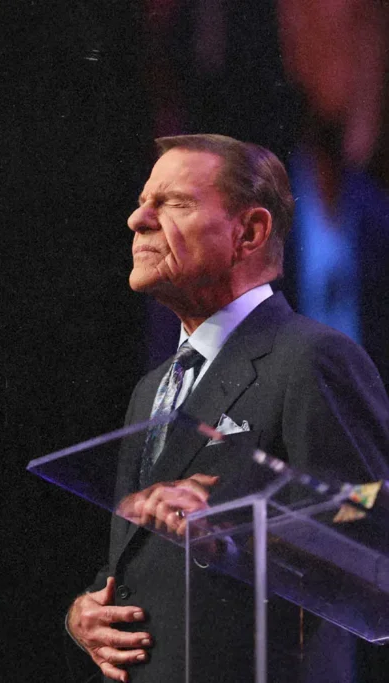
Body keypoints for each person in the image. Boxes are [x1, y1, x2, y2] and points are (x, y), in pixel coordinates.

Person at [65, 134, 389, 683]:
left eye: (174, 203)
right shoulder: (152, 389)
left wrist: (233, 531)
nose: (137, 219)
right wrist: (88, 610)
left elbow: (370, 529)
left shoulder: (311, 359)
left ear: (250, 232)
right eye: (145, 200)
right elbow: (146, 556)